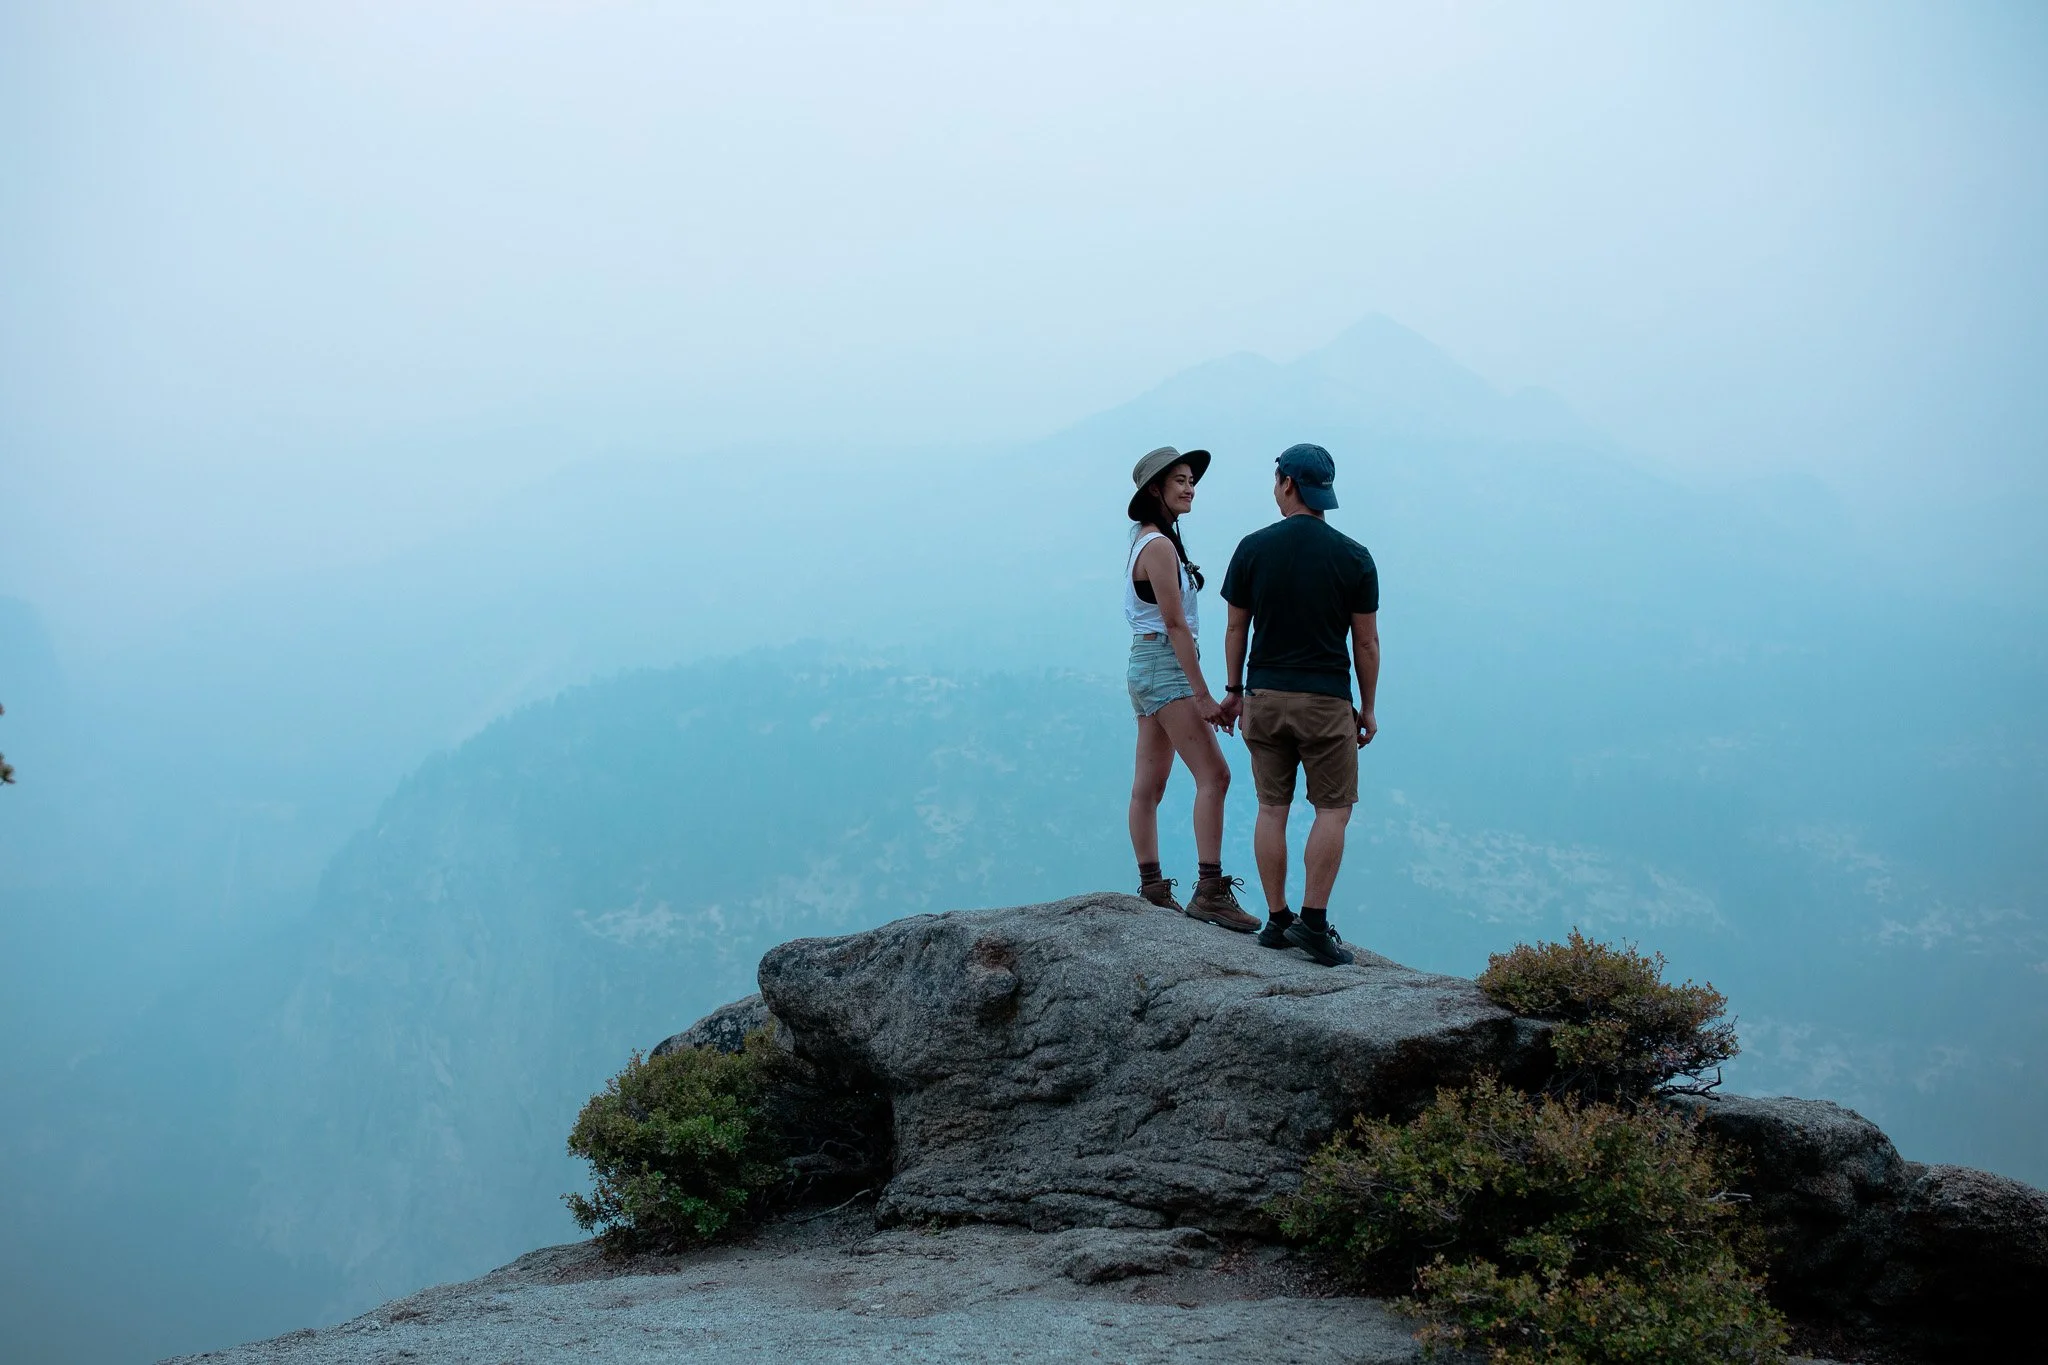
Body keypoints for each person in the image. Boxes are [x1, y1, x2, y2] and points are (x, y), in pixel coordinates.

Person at [1218, 443, 1380, 967]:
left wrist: (1234, 690)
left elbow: (1236, 627)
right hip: (1326, 701)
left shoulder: (1252, 548)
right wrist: (1368, 706)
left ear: (1287, 483)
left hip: (1263, 698)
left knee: (1271, 808)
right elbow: (1367, 643)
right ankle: (1314, 923)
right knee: (1332, 809)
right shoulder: (1354, 556)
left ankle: (1277, 919)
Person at [1124, 446, 1258, 932]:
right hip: (1165, 664)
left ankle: (1153, 887)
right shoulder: (1158, 547)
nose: (1189, 487)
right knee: (1214, 776)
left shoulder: (1151, 541)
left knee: (1150, 784)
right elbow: (1176, 624)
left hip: (1146, 663)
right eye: (1178, 480)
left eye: (1191, 479)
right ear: (1154, 490)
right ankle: (1209, 889)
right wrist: (1203, 694)